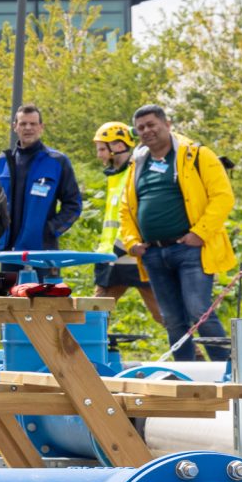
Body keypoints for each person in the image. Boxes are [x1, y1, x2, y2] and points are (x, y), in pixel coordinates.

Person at [117, 104, 235, 362]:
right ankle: (188, 377)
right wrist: (131, 242)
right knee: (171, 319)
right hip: (153, 253)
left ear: (166, 124)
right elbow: (125, 208)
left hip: (190, 250)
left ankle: (228, 371)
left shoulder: (196, 155)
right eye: (141, 128)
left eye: (151, 124)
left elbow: (223, 197)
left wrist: (200, 233)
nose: (147, 131)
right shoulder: (137, 163)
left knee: (199, 310)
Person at [90, 121, 166, 328]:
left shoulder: (137, 172)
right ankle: (88, 354)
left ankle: (192, 355)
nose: (99, 155)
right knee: (96, 313)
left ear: (118, 146)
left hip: (132, 254)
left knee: (163, 313)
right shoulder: (115, 176)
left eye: (102, 149)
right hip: (113, 255)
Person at [0, 103, 83, 253]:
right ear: (15, 126)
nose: (28, 128)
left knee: (40, 279)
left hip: (41, 250)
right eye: (23, 123)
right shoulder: (1, 162)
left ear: (41, 127)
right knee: (7, 278)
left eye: (33, 123)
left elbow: (74, 204)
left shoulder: (57, 162)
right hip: (5, 252)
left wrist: (50, 230)